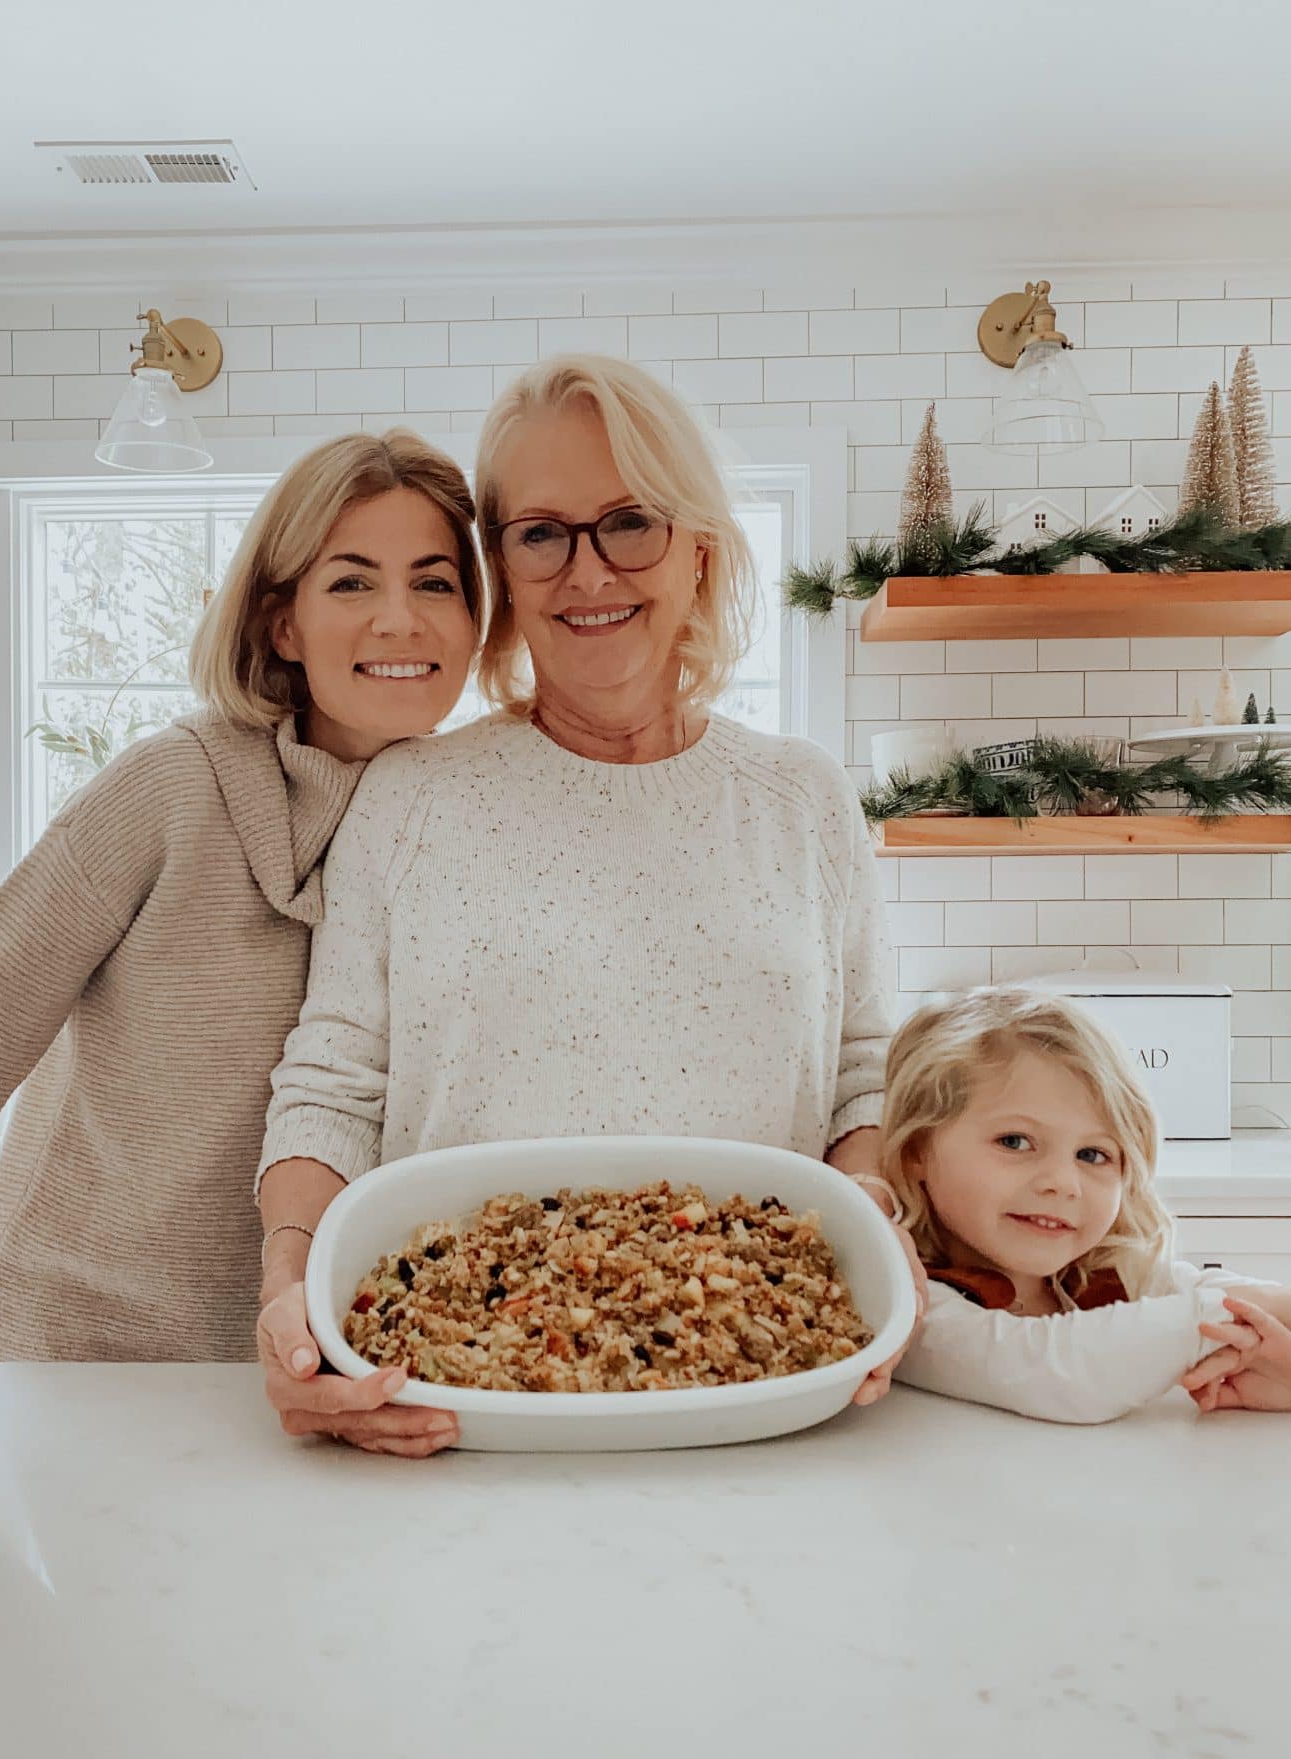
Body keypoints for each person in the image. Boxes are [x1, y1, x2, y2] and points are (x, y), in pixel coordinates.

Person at [255, 353, 915, 1456]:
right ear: (504, 569)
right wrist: (291, 1292)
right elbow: (331, 1083)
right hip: (461, 1408)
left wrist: (877, 1240)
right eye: (542, 532)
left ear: (699, 548)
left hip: (763, 1402)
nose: (587, 569)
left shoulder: (802, 797)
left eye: (629, 522)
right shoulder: (411, 795)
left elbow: (864, 1072)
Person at [0, 431, 482, 1360]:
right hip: (73, 1347)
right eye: (350, 582)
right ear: (280, 622)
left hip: (307, 1361)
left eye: (434, 582)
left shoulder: (461, 823)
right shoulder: (170, 790)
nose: (400, 620)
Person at [881, 986, 1291, 1421]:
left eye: (1092, 1155)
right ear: (916, 1151)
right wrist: (1239, 1306)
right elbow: (1055, 1367)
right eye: (1015, 1142)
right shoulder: (910, 1301)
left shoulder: (1109, 1272)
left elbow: (1235, 1305)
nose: (1063, 1183)